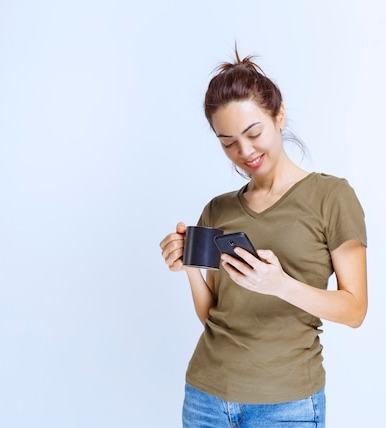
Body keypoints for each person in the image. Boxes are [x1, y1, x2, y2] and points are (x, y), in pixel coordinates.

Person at [159, 50, 367, 428]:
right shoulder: (218, 210)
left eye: (254, 133)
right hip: (206, 396)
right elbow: (213, 315)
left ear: (279, 116)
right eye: (228, 142)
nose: (245, 152)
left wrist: (280, 284)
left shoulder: (331, 197)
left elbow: (355, 311)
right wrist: (190, 269)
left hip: (286, 405)